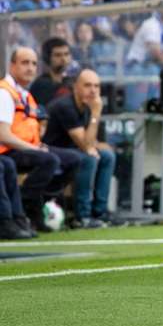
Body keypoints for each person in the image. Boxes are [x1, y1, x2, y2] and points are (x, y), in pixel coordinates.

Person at [0, 48, 82, 230]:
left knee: (74, 159)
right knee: (49, 160)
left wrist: (39, 139)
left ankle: (41, 200)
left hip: (25, 147)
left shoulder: (25, 94)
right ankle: (27, 204)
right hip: (8, 150)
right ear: (12, 65)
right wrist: (34, 149)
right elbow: (4, 135)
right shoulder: (5, 93)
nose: (30, 68)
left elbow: (26, 128)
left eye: (34, 64)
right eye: (25, 63)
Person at [43, 69, 117, 228]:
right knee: (88, 158)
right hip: (51, 151)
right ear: (76, 87)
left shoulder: (87, 105)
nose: (93, 90)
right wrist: (96, 113)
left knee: (107, 156)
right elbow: (86, 145)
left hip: (72, 150)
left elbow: (90, 141)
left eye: (96, 86)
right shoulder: (66, 106)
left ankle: (100, 213)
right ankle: (82, 216)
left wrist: (98, 145)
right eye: (88, 85)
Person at [30, 37, 74, 106]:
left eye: (66, 54)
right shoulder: (41, 85)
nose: (63, 59)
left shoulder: (71, 82)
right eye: (58, 55)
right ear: (48, 58)